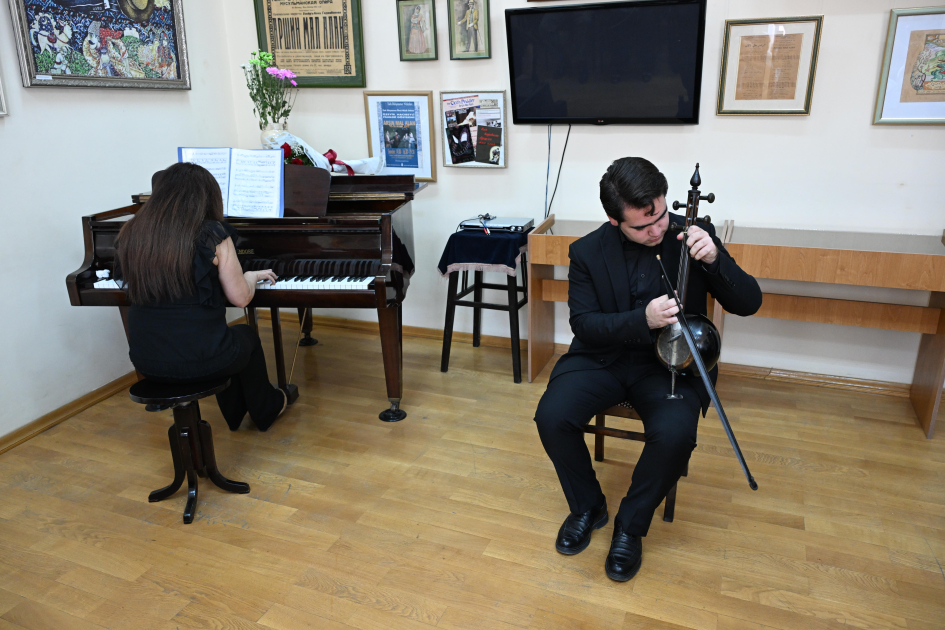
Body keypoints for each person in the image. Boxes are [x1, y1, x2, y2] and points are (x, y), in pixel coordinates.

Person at [533, 157, 762, 582]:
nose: (657, 230)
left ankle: (630, 526)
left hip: (671, 363)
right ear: (614, 220)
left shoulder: (693, 235)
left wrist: (715, 260)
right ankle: (588, 507)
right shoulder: (586, 251)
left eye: (660, 215)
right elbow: (585, 324)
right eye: (642, 226)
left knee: (675, 434)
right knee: (552, 416)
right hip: (603, 357)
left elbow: (749, 303)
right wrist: (642, 319)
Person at [116, 162, 287, 432]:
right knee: (245, 336)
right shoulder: (212, 233)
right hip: (202, 360)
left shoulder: (132, 232)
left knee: (224, 339)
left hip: (146, 361)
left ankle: (235, 414)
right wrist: (251, 276)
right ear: (207, 197)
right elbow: (241, 298)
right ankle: (266, 409)